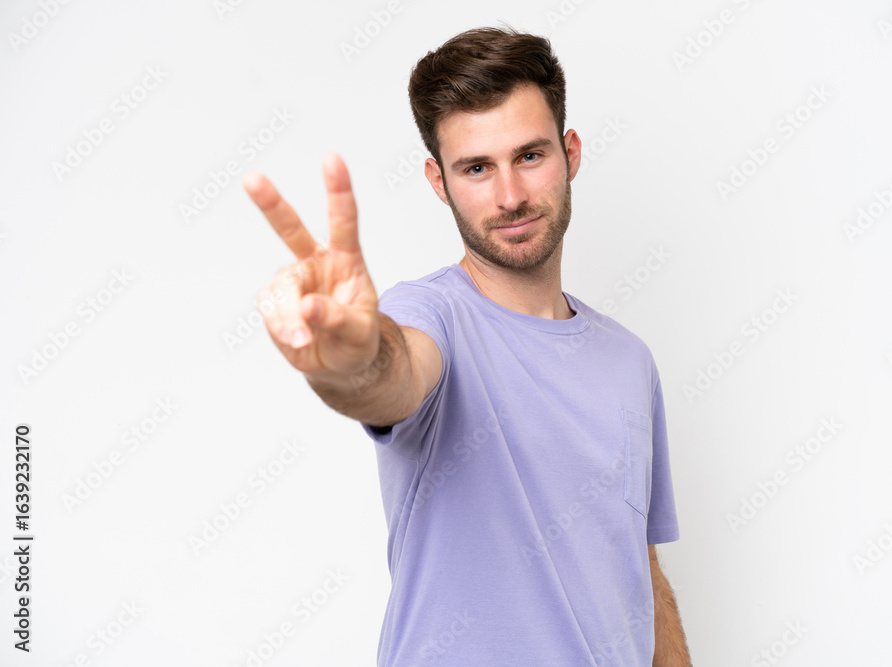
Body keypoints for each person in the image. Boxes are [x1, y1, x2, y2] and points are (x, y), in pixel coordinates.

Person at [243, 26, 691, 667]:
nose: (510, 196)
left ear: (570, 153)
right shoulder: (430, 316)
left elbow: (640, 568)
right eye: (476, 168)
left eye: (529, 156)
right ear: (438, 180)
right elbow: (394, 374)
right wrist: (354, 360)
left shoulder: (629, 361)